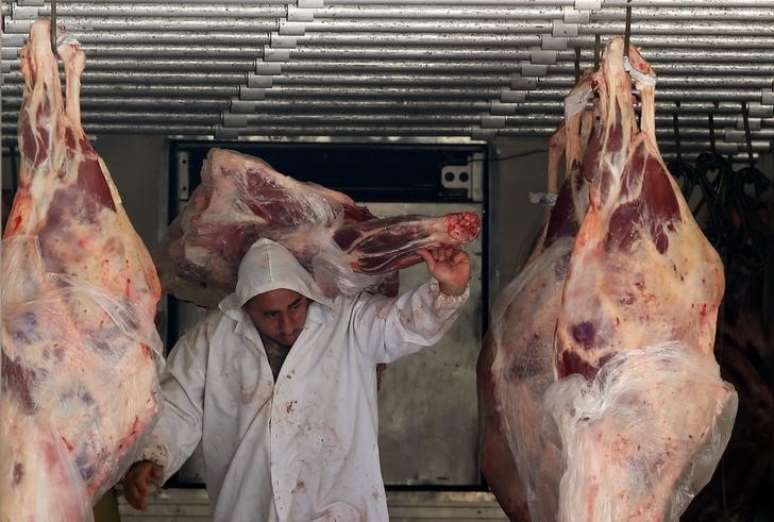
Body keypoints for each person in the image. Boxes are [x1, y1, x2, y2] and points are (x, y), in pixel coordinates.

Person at [122, 237, 471, 521]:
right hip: (248, 510)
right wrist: (154, 455)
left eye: (294, 307)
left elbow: (403, 324)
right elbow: (179, 404)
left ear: (307, 295)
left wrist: (447, 291)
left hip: (340, 511)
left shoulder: (347, 321)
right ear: (245, 306)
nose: (287, 325)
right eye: (270, 315)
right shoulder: (212, 340)